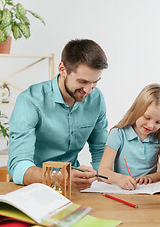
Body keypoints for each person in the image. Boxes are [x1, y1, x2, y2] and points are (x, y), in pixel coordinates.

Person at [7, 39, 109, 190]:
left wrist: (102, 183)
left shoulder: (96, 98)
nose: (89, 90)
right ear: (62, 69)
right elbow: (18, 166)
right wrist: (60, 178)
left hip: (72, 188)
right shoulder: (30, 100)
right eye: (83, 81)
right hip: (31, 187)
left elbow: (100, 149)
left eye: (95, 82)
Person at [98, 84, 160, 190]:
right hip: (122, 192)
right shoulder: (118, 134)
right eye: (147, 117)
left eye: (158, 122)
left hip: (148, 194)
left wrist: (149, 177)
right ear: (137, 110)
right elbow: (103, 170)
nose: (150, 125)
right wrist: (120, 179)